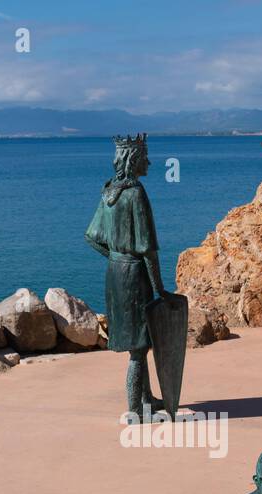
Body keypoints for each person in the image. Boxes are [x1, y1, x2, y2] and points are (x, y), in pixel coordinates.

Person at [85, 132, 171, 417]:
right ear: (133, 159)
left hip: (115, 273)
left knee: (140, 342)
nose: (149, 161)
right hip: (134, 275)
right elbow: (148, 250)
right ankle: (136, 409)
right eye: (145, 156)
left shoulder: (109, 192)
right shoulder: (135, 194)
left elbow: (93, 237)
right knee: (138, 348)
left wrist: (115, 257)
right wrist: (160, 288)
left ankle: (147, 400)